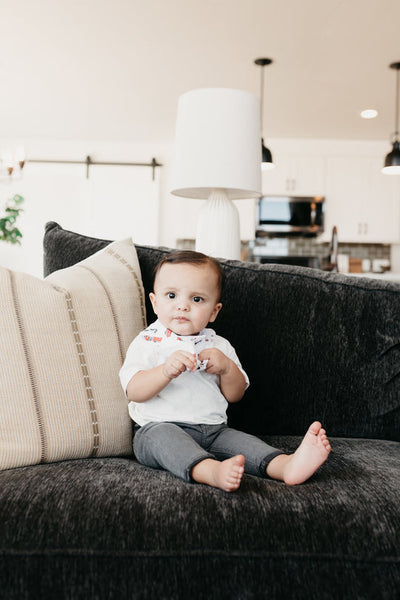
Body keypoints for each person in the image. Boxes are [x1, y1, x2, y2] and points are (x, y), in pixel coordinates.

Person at [119, 250, 331, 493]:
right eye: (171, 295)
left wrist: (227, 369)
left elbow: (235, 395)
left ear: (214, 311)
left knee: (243, 443)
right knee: (163, 439)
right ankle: (209, 471)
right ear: (155, 302)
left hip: (214, 430)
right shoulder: (148, 341)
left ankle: (285, 465)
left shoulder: (219, 346)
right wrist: (164, 372)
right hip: (157, 427)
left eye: (197, 299)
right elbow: (133, 390)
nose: (183, 306)